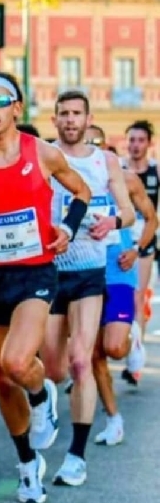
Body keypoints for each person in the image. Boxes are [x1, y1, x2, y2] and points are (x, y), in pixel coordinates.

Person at [0, 69, 91, 503]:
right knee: (5, 382)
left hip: (35, 273)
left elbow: (81, 192)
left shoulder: (43, 154)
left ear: (16, 107)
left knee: (16, 360)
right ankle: (28, 465)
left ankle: (43, 395)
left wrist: (67, 226)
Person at [41, 90, 134, 488]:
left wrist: (112, 224)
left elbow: (127, 211)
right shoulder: (44, 157)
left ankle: (76, 455)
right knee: (53, 368)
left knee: (82, 360)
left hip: (90, 271)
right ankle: (45, 405)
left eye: (76, 113)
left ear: (88, 118)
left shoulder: (105, 161)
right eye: (63, 113)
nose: (70, 120)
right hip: (48, 271)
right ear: (55, 120)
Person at [92, 169, 157, 445]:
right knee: (93, 352)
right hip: (85, 274)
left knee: (115, 348)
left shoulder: (125, 179)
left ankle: (133, 340)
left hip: (119, 270)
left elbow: (152, 219)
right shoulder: (66, 177)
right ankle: (113, 420)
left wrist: (137, 250)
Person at [122, 119, 157, 384]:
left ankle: (134, 361)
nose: (135, 145)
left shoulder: (156, 172)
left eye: (140, 140)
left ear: (149, 143)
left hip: (145, 242)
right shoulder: (118, 170)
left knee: (136, 298)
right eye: (131, 140)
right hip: (121, 241)